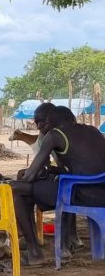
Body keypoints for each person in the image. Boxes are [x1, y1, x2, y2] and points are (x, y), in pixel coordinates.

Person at [9, 104, 105, 266]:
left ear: (54, 117)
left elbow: (30, 176)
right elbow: (82, 165)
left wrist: (11, 181)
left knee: (16, 189)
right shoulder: (93, 131)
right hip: (101, 193)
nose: (39, 127)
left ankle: (34, 252)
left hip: (79, 195)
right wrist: (51, 170)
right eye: (36, 123)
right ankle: (64, 243)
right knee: (40, 186)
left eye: (41, 122)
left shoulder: (54, 136)